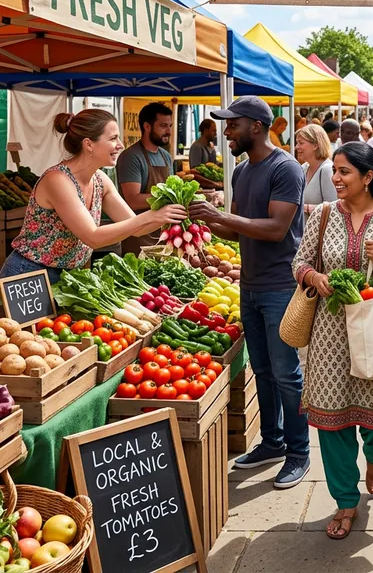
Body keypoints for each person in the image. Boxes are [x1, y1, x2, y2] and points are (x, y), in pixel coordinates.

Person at [292, 143, 373, 539]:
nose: (336, 178)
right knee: (331, 425)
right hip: (329, 339)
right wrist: (315, 278)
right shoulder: (324, 215)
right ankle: (345, 501)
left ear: (368, 177)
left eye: (345, 172)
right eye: (335, 171)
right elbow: (299, 261)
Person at [188, 96, 310, 486]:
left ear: (256, 126)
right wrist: (202, 221)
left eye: (232, 124)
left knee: (286, 374)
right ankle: (272, 442)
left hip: (279, 285)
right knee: (261, 369)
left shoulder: (286, 168)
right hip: (251, 283)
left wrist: (223, 215)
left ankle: (298, 451)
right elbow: (235, 228)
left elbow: (276, 228)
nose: (226, 131)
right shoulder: (241, 171)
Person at [0, 111, 185, 284]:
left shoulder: (100, 180)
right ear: (88, 144)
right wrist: (152, 215)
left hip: (67, 275)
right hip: (29, 274)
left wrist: (173, 214)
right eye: (113, 138)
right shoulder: (57, 180)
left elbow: (136, 227)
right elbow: (92, 237)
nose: (120, 145)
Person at [116, 102, 174, 256]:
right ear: (147, 127)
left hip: (165, 234)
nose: (168, 131)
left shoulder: (166, 156)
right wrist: (170, 197)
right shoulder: (131, 157)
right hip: (139, 236)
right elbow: (132, 200)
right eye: (163, 126)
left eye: (170, 125)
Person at [296, 124, 336, 216]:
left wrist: (303, 208)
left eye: (301, 143)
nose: (296, 147)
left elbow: (334, 209)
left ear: (315, 145)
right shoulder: (304, 167)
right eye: (297, 142)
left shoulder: (327, 170)